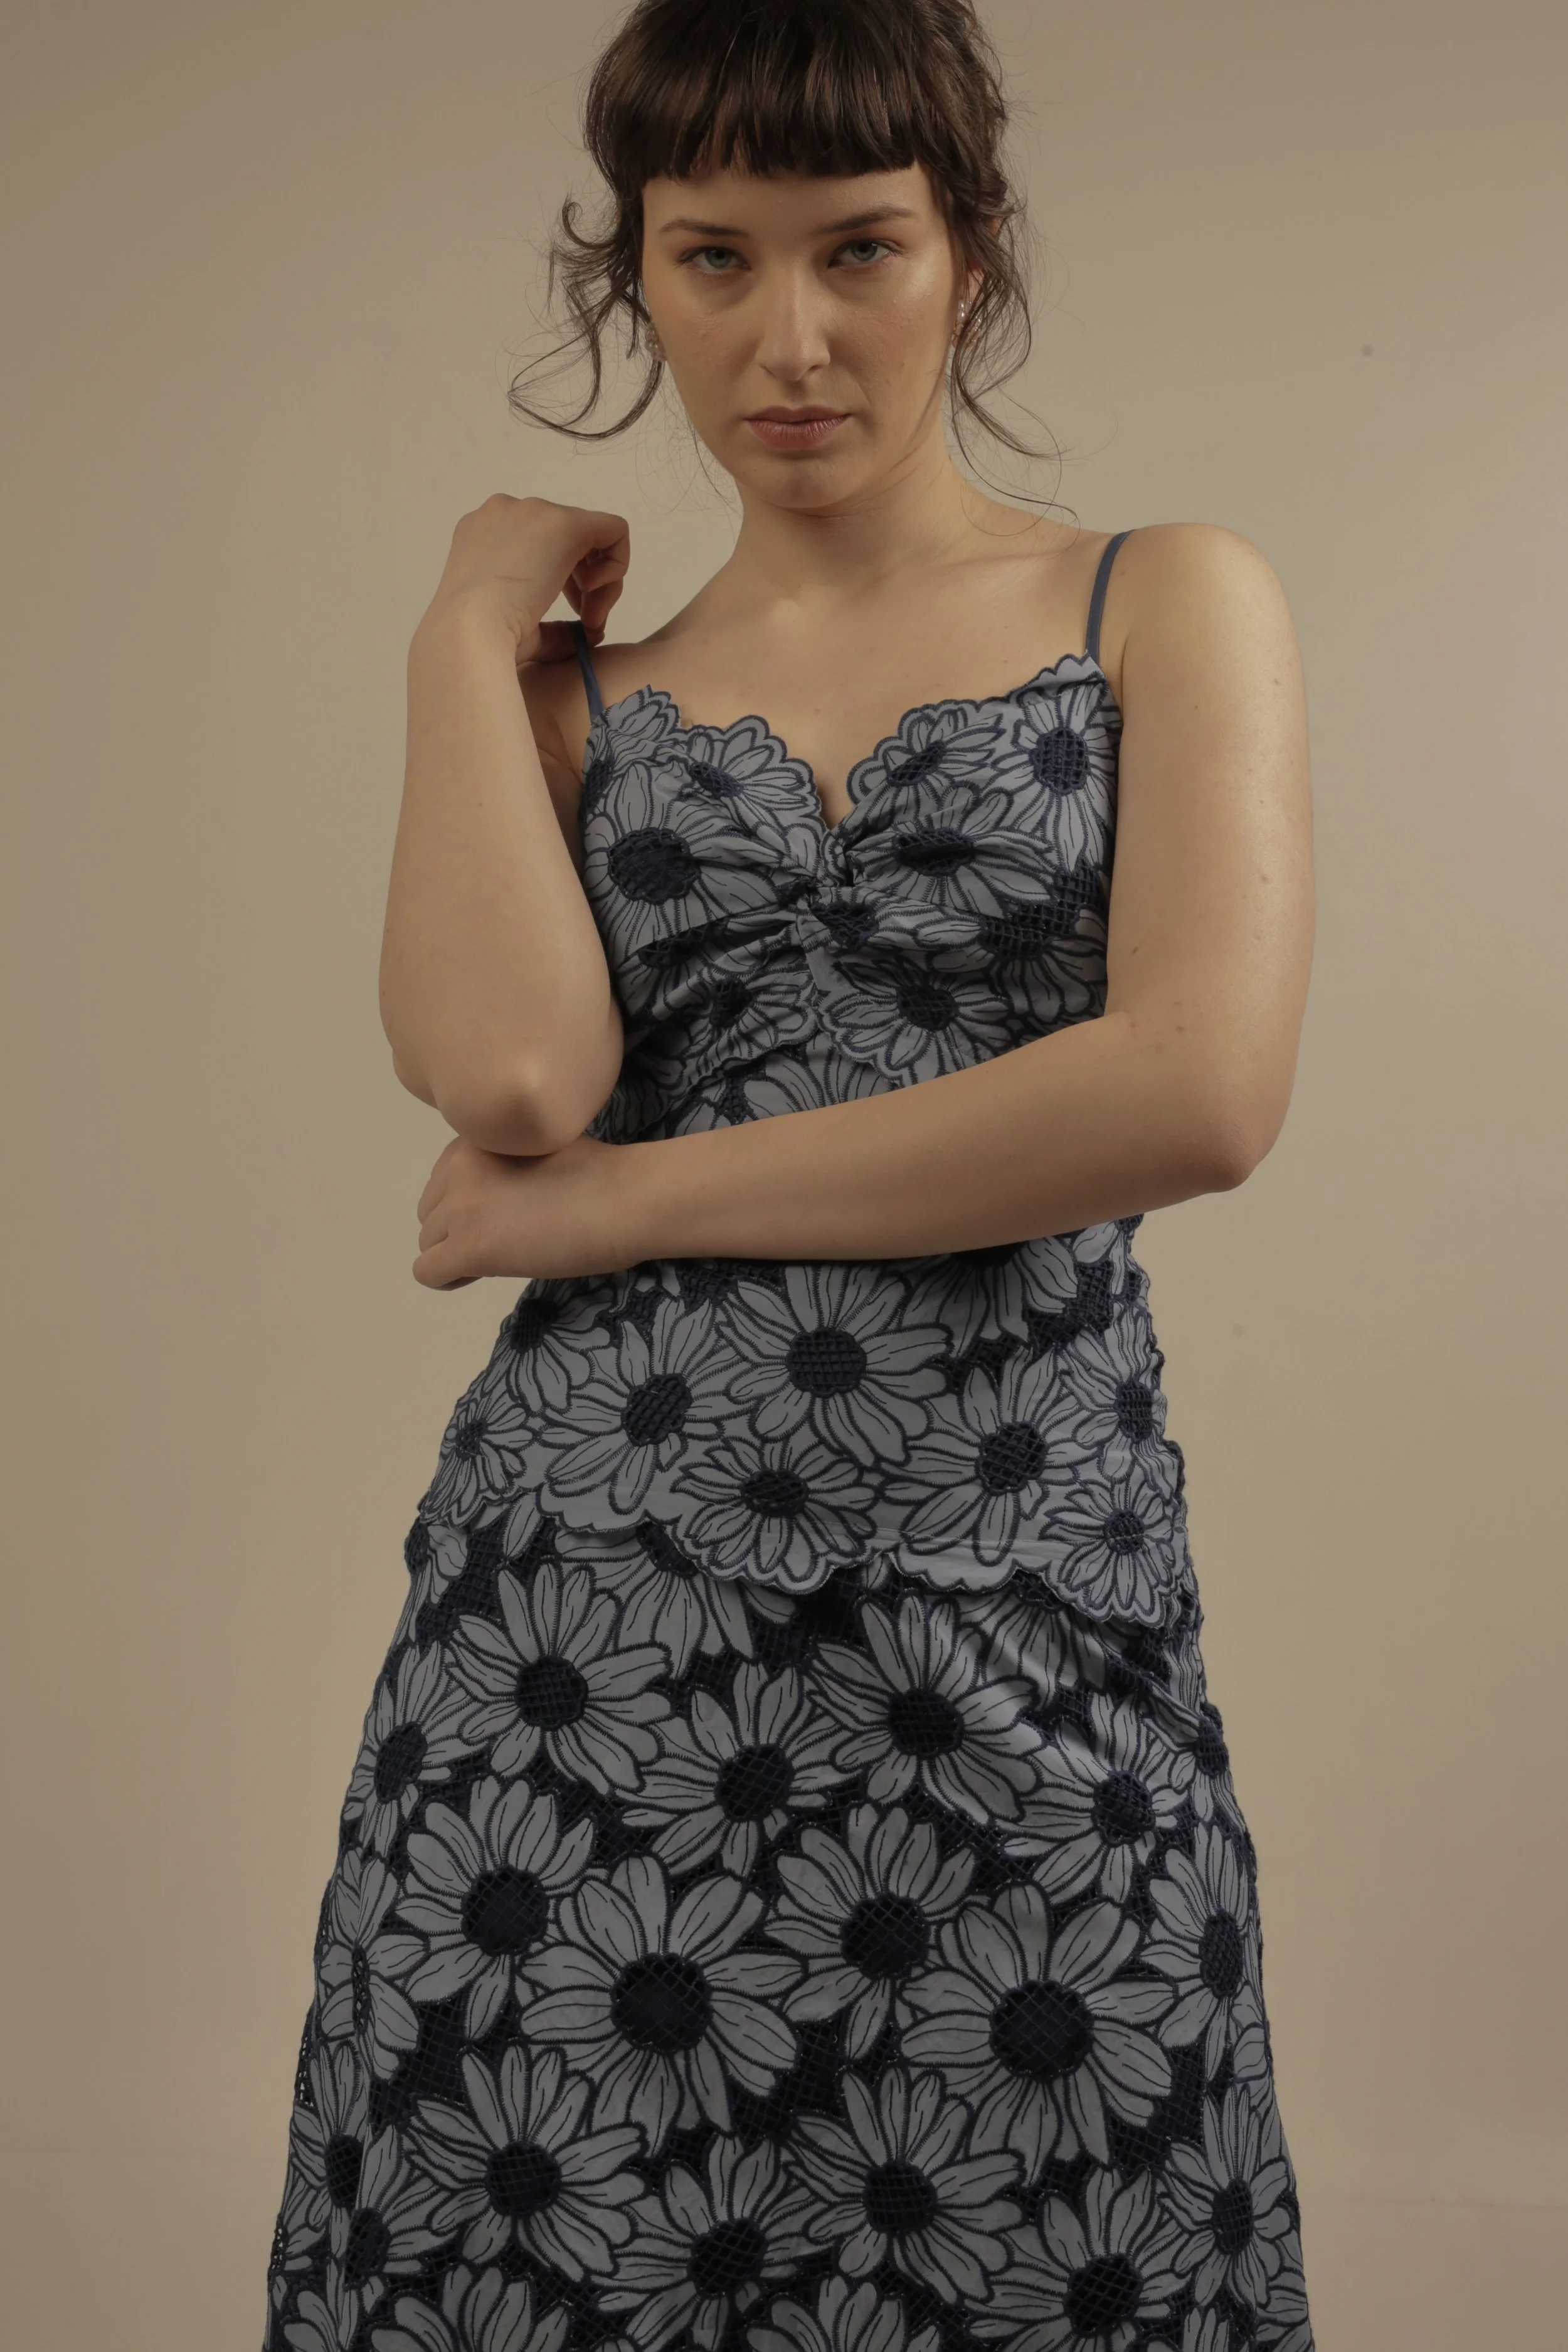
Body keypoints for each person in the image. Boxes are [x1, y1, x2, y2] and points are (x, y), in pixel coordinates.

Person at [263, 4, 1316, 2348]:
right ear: (630, 277)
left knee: (1082, 2255)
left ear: (972, 253)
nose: (790, 337)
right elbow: (510, 1068)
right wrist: (463, 631)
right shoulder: (575, 697)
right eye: (709, 258)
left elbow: (1190, 1090)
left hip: (1023, 1599)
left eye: (858, 247)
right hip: (576, 1655)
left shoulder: (1164, 597)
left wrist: (615, 1208)